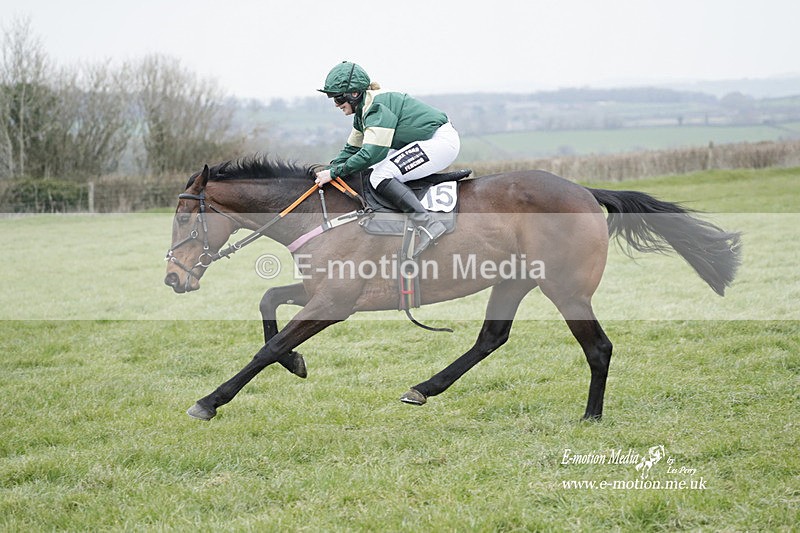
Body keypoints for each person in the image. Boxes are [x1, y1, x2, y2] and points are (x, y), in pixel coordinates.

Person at [315, 61, 460, 258]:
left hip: (440, 141)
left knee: (380, 175)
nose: (336, 104)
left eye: (339, 98)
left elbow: (370, 154)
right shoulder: (363, 112)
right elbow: (351, 150)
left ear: (354, 94)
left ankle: (428, 224)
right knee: (375, 171)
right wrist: (327, 169)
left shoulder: (377, 108)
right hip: (425, 141)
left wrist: (333, 173)